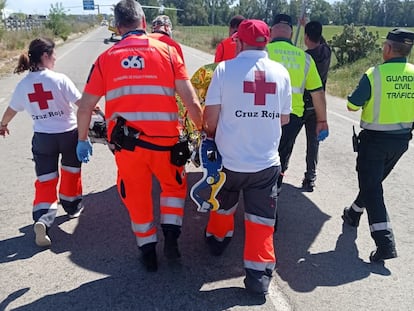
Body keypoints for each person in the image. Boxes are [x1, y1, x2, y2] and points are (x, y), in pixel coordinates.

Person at [75, 0, 203, 272]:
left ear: (118, 26)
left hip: (127, 148)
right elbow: (190, 101)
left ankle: (147, 252)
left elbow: (85, 106)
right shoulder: (168, 51)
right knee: (172, 189)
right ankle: (171, 238)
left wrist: (81, 139)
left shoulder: (106, 59)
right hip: (167, 145)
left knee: (136, 196)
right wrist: (205, 131)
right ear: (144, 22)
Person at [203, 19, 292, 296]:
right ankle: (258, 278)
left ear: (238, 42)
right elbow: (285, 118)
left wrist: (219, 132)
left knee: (222, 206)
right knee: (261, 221)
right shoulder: (281, 72)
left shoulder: (224, 69)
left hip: (229, 162)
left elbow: (210, 119)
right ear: (266, 43)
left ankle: (218, 241)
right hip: (266, 163)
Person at [0, 37, 84, 247]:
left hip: (43, 138)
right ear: (45, 56)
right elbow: (83, 104)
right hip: (68, 135)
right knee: (71, 172)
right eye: (53, 54)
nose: (55, 58)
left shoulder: (23, 85)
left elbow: (11, 110)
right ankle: (71, 205)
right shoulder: (59, 79)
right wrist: (99, 112)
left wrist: (3, 124)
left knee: (46, 179)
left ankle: (43, 219)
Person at [342, 28, 414, 262]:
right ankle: (353, 213)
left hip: (374, 142)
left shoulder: (375, 74)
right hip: (401, 142)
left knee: (373, 188)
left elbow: (352, 105)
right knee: (373, 183)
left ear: (388, 48)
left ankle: (385, 243)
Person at [266, 14, 329, 192]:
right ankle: (275, 190)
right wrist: (322, 121)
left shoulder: (263, 52)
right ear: (292, 33)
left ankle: (258, 192)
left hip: (262, 114)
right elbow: (318, 93)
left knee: (261, 155)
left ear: (271, 31)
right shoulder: (305, 58)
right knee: (282, 154)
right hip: (292, 117)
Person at [300, 20, 332, 191]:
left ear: (305, 37)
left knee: (287, 140)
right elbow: (322, 41)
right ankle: (310, 177)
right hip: (318, 107)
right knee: (313, 144)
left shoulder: (305, 58)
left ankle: (281, 171)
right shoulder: (327, 52)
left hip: (302, 104)